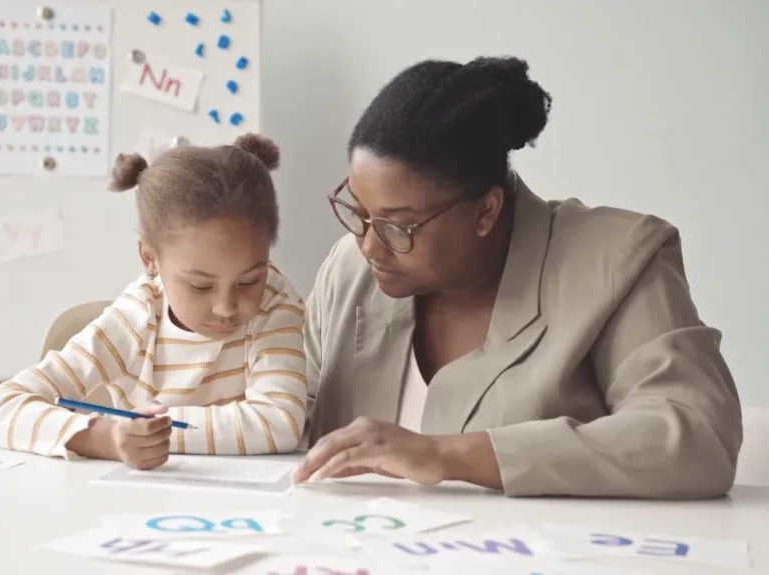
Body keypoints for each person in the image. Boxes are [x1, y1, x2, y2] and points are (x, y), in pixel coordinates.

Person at [292, 56, 743, 499]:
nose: (369, 245)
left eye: (398, 225)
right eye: (359, 212)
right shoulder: (350, 271)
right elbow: (285, 414)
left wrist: (449, 456)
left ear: (486, 210)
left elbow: (697, 438)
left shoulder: (617, 260)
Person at [0, 134, 307, 469]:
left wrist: (155, 432)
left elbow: (280, 423)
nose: (226, 307)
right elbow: (2, 408)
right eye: (200, 286)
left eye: (249, 280)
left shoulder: (275, 308)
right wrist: (104, 438)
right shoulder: (136, 318)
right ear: (150, 259)